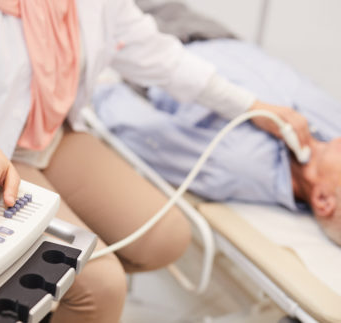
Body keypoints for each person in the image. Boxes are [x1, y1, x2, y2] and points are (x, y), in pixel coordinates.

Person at [0, 0, 311, 322]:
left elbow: (156, 53)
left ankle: (46, 300)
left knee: (168, 238)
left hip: (53, 135)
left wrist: (250, 106)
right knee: (102, 287)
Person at [94, 38, 341, 245]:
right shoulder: (332, 130)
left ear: (323, 200)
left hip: (161, 53)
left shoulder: (235, 165)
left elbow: (138, 129)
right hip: (220, 37)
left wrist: (97, 81)